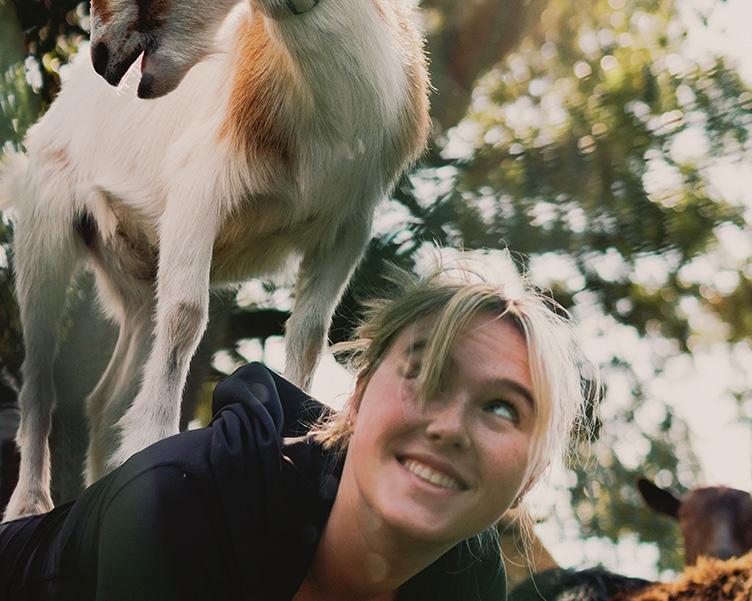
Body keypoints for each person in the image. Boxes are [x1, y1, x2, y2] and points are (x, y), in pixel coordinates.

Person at [0, 254, 588, 601]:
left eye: (503, 409)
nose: (451, 427)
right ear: (358, 397)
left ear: (531, 474)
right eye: (426, 373)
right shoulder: (186, 499)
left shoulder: (470, 582)